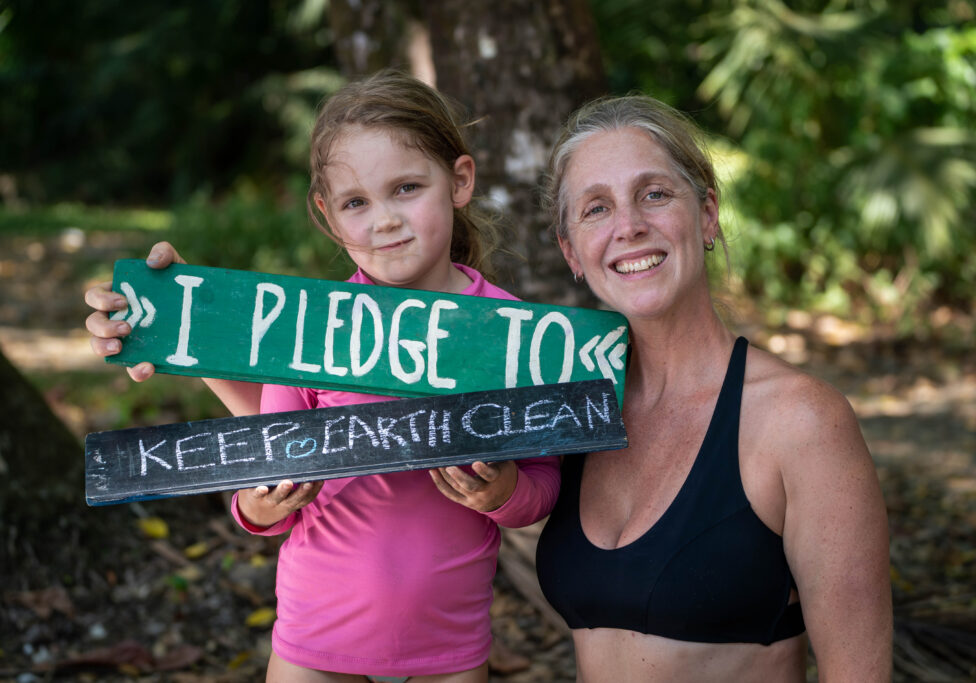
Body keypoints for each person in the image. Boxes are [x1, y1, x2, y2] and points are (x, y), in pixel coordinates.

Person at [84, 71, 561, 683]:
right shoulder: (313, 332)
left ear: (459, 181)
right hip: (314, 642)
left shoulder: (513, 333)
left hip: (451, 645)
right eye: (356, 202)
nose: (384, 220)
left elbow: (544, 484)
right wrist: (257, 505)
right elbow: (267, 485)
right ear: (328, 215)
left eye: (407, 188)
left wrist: (503, 494)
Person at [534, 95, 893, 681]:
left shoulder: (799, 421)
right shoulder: (576, 410)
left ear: (706, 215)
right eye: (596, 208)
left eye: (654, 194)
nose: (629, 226)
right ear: (572, 251)